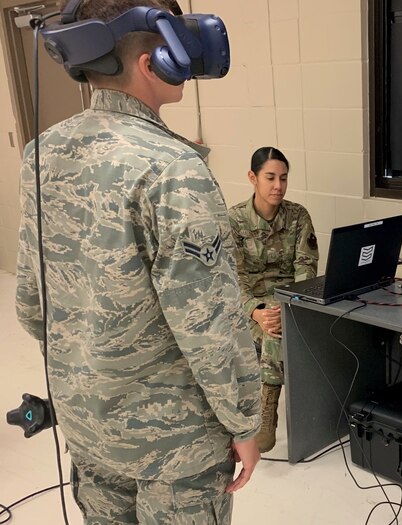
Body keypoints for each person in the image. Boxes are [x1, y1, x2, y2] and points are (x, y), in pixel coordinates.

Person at [15, 1, 262, 523]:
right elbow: (209, 325)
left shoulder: (41, 153)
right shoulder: (173, 169)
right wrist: (243, 422)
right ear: (155, 61)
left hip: (88, 426)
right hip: (175, 444)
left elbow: (32, 304)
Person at [229, 147, 319, 453]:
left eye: (283, 178)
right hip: (249, 307)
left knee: (280, 322)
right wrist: (256, 311)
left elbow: (306, 269)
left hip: (289, 301)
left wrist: (289, 304)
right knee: (273, 330)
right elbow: (233, 279)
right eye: (270, 177)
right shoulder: (234, 221)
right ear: (253, 178)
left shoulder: (298, 216)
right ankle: (267, 410)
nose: (278, 185)